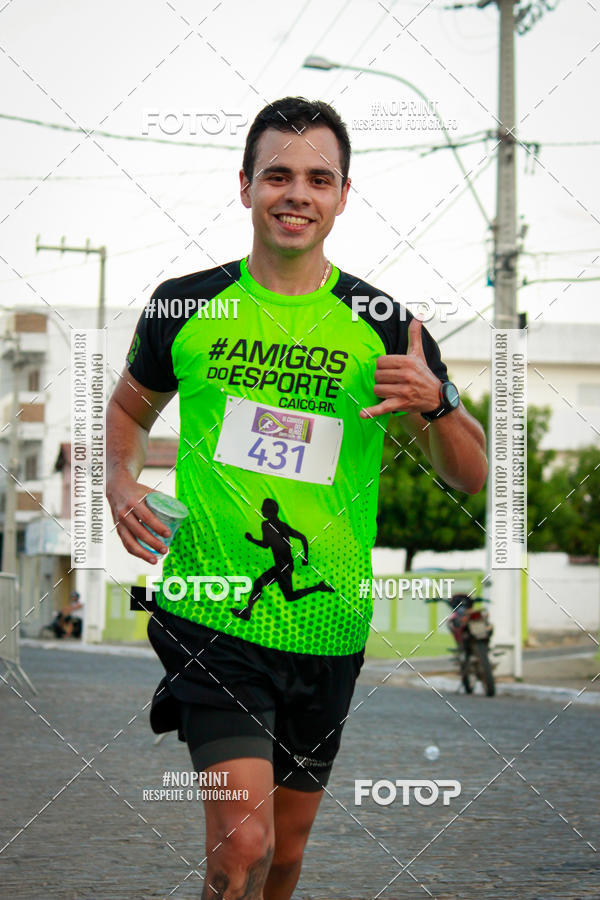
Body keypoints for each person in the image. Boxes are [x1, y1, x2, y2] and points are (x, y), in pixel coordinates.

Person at [106, 97, 488, 899]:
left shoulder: (385, 326)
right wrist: (118, 478)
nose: (297, 193)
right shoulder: (187, 302)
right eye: (277, 174)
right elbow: (129, 410)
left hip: (329, 630)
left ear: (344, 195)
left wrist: (438, 403)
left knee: (284, 853)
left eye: (319, 178)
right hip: (214, 613)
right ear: (244, 185)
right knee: (241, 847)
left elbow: (473, 476)